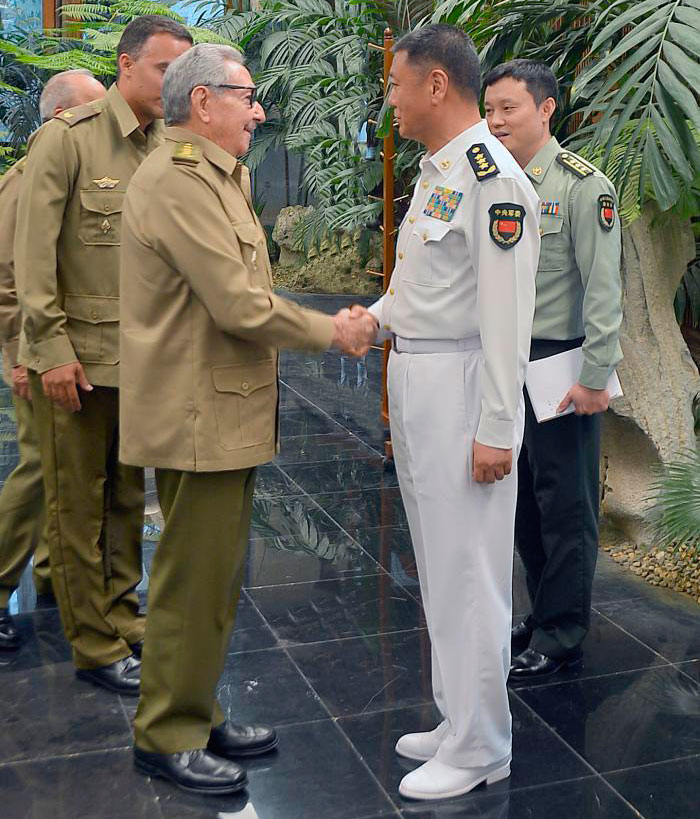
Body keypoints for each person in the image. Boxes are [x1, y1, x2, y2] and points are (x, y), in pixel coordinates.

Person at [118, 43, 376, 795]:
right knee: (191, 579)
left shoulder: (214, 176)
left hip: (218, 409)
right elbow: (238, 304)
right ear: (203, 103)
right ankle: (165, 733)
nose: (259, 110)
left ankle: (195, 710)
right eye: (247, 95)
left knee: (217, 578)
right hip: (196, 411)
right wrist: (336, 333)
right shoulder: (177, 181)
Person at [364, 25, 540, 801]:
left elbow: (507, 317)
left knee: (471, 572)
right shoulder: (443, 171)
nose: (392, 101)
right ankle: (455, 713)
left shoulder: (491, 177)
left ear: (436, 84)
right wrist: (374, 319)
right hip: (420, 375)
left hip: (465, 384)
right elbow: (424, 286)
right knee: (439, 564)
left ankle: (480, 747)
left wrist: (497, 428)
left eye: (398, 85)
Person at [13, 16, 193, 694]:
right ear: (125, 65)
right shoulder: (68, 140)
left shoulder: (165, 146)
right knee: (75, 505)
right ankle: (92, 640)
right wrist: (50, 350)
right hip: (76, 363)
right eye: (162, 69)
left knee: (123, 497)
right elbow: (33, 260)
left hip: (138, 363)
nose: (173, 83)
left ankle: (123, 614)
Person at [483, 59, 623, 679]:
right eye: (489, 109)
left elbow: (603, 288)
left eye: (508, 108)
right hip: (507, 362)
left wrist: (595, 375)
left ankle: (563, 630)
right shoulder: (495, 181)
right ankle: (542, 610)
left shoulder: (581, 186)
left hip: (559, 364)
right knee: (523, 502)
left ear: (545, 109)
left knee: (565, 504)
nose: (495, 120)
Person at [0, 70, 106, 651]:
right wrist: (22, 357)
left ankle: (50, 574)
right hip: (34, 351)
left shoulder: (70, 167)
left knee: (59, 468)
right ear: (63, 115)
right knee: (40, 468)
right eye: (91, 112)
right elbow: (8, 279)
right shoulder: (27, 178)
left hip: (58, 345)